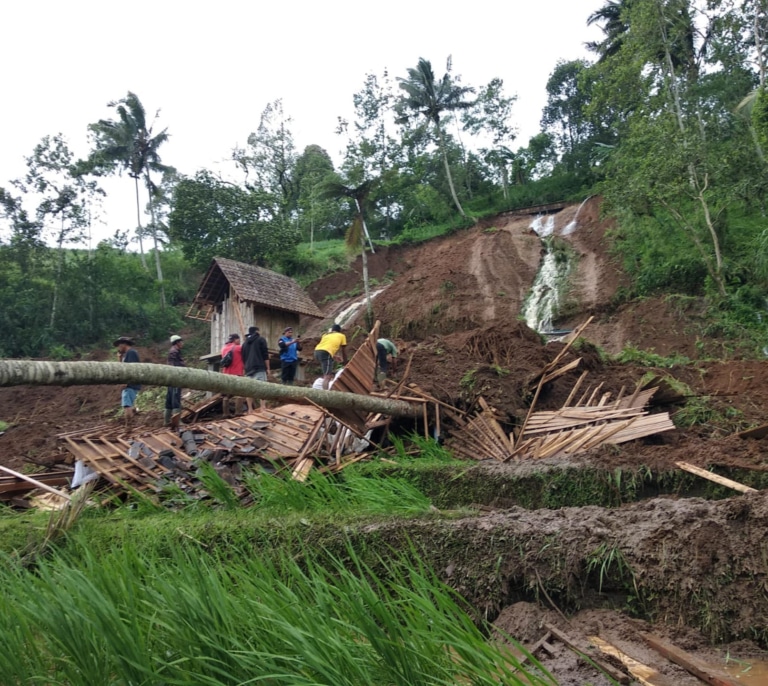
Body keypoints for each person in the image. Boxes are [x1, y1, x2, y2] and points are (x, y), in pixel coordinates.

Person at [114, 336, 140, 430]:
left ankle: (129, 427)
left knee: (127, 405)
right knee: (128, 404)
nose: (118, 347)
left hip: (130, 384)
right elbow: (123, 369)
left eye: (119, 345)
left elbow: (131, 369)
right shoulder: (127, 354)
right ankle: (131, 421)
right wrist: (120, 359)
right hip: (130, 384)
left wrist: (126, 382)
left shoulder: (131, 353)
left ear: (124, 344)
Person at [241, 326, 270, 411]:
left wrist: (245, 369)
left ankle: (250, 409)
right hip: (259, 367)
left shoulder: (244, 344)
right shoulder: (261, 340)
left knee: (249, 390)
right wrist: (268, 368)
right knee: (262, 387)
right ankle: (263, 407)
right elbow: (265, 355)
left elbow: (243, 358)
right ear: (257, 331)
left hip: (248, 369)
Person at [314, 323, 347, 390]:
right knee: (327, 376)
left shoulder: (325, 335)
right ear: (339, 331)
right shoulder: (341, 336)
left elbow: (325, 347)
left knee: (326, 372)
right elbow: (343, 350)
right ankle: (326, 394)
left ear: (332, 330)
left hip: (317, 352)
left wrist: (334, 356)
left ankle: (324, 390)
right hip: (325, 353)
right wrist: (345, 362)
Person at [220, 333, 244, 417]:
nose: (239, 341)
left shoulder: (223, 348)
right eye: (239, 340)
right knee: (239, 393)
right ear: (235, 340)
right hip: (237, 373)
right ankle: (238, 412)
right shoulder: (238, 348)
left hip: (225, 374)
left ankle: (225, 413)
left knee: (226, 395)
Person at [165, 334, 185, 430]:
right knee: (175, 399)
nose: (182, 343)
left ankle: (166, 421)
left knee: (169, 399)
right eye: (181, 342)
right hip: (175, 378)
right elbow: (172, 365)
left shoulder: (175, 351)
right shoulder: (174, 351)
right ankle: (177, 421)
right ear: (177, 342)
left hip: (172, 378)